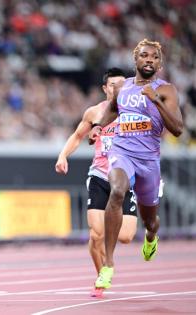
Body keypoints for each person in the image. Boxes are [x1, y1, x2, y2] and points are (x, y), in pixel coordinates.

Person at [89, 39, 183, 291]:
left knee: (150, 220)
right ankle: (108, 265)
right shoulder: (124, 87)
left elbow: (177, 129)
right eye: (144, 56)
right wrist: (98, 126)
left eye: (154, 57)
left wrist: (157, 101)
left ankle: (151, 237)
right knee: (117, 191)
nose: (149, 59)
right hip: (122, 153)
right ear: (136, 60)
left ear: (159, 63)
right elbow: (112, 110)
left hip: (148, 161)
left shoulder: (166, 90)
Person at [55, 68, 138, 296]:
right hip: (100, 176)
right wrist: (63, 156)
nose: (117, 88)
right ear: (105, 88)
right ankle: (102, 274)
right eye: (112, 85)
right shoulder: (94, 113)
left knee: (126, 237)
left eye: (122, 84)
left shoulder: (135, 112)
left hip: (125, 179)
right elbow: (77, 136)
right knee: (96, 233)